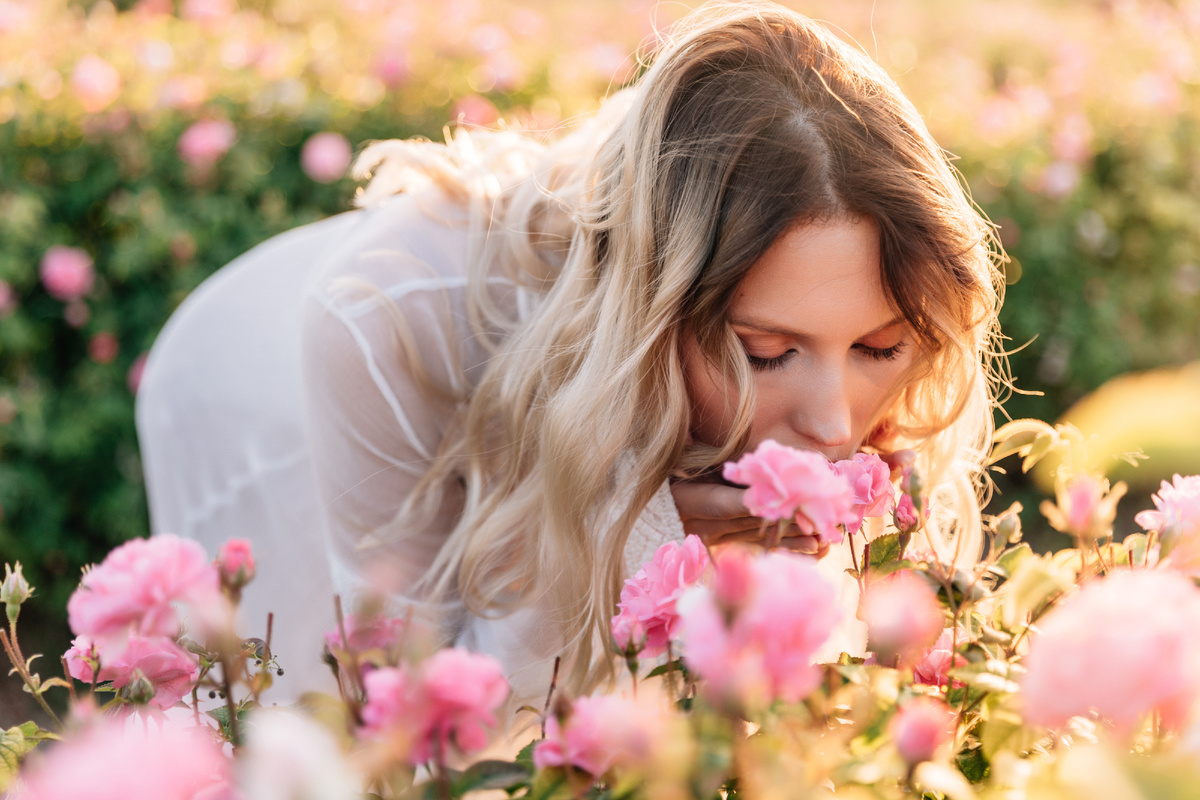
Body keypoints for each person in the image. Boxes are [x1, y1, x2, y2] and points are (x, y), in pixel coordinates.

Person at [137, 2, 1005, 708]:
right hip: (267, 404)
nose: (832, 423)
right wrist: (627, 528)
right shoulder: (383, 325)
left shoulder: (850, 346)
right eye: (770, 352)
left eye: (879, 346)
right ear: (653, 313)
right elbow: (416, 722)